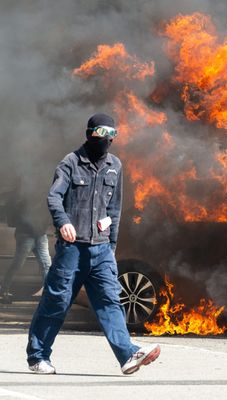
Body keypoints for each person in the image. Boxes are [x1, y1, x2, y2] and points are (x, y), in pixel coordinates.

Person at [26, 113, 160, 375]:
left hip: (101, 251)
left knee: (111, 302)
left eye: (112, 135)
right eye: (102, 133)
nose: (107, 139)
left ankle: (127, 355)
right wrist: (63, 222)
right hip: (72, 250)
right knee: (57, 302)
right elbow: (54, 198)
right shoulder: (71, 163)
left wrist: (111, 246)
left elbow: (114, 209)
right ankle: (37, 356)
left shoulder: (115, 165)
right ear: (89, 133)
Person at [0, 191, 52, 304]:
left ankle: (49, 295)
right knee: (18, 264)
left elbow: (48, 217)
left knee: (46, 265)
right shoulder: (21, 201)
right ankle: (2, 292)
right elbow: (12, 220)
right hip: (26, 235)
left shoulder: (40, 200)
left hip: (39, 235)